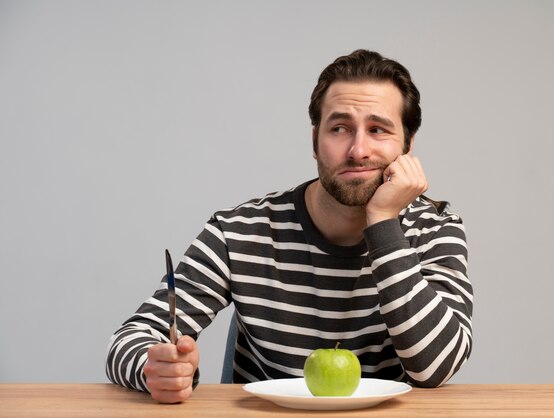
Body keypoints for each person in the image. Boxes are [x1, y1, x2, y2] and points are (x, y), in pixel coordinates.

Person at [106, 49, 473, 404]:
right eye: (340, 128)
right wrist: (155, 368)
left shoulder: (435, 230)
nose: (358, 150)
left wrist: (382, 223)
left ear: (407, 146)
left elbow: (435, 368)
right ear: (315, 141)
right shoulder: (239, 232)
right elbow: (131, 337)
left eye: (378, 130)